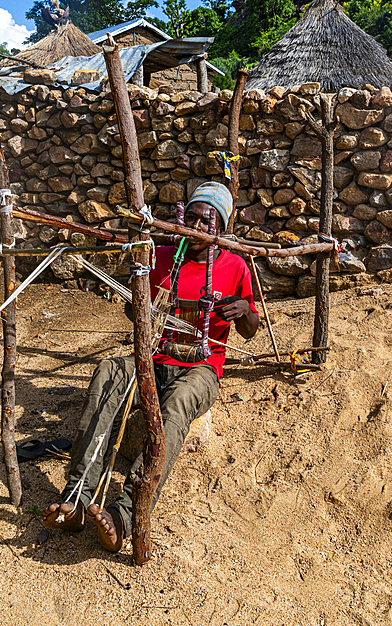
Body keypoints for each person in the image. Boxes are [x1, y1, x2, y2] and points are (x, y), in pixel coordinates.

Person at [42, 182, 259, 552]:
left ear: (220, 227)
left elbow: (251, 331)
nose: (197, 226)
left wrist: (244, 310)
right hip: (152, 358)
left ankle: (124, 515)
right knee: (109, 371)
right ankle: (77, 499)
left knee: (176, 406)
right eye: (190, 217)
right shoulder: (159, 257)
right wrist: (139, 295)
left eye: (206, 221)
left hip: (201, 369)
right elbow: (133, 312)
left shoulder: (235, 265)